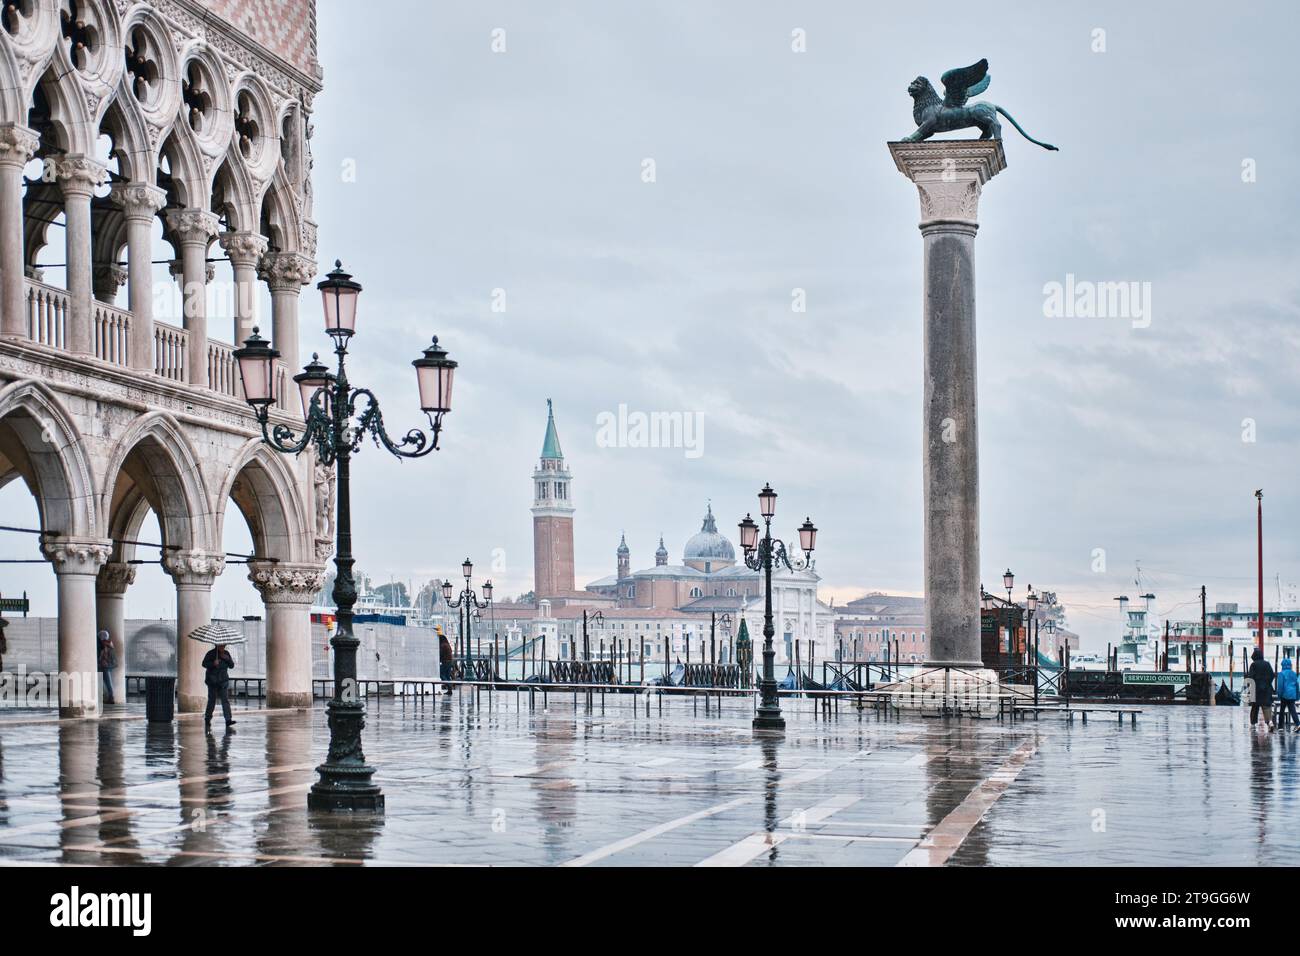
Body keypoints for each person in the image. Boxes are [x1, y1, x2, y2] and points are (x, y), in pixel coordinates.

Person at [202, 643, 237, 732]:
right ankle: (207, 718)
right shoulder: (211, 654)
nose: (223, 647)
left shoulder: (226, 654)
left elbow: (232, 666)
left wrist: (227, 659)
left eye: (224, 646)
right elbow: (204, 664)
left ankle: (228, 720)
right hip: (212, 681)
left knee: (225, 700)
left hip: (223, 681)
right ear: (217, 645)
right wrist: (213, 663)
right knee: (212, 701)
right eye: (221, 646)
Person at [1247, 647, 1276, 731]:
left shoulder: (1253, 664)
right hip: (1266, 689)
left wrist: (1249, 686)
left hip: (1255, 690)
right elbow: (1272, 675)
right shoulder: (1267, 664)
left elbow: (1251, 677)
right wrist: (1267, 683)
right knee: (1266, 707)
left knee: (1254, 708)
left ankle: (1252, 724)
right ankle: (1270, 722)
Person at [1278, 658, 1299, 730]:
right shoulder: (1294, 673)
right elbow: (1297, 685)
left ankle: (1280, 726)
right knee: (1292, 710)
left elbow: (1280, 686)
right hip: (1292, 694)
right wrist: (1297, 696)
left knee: (1282, 710)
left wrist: (1279, 695)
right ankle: (1298, 723)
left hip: (1284, 695)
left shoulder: (1281, 673)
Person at [96, 630, 116, 705]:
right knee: (107, 682)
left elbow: (103, 655)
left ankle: (111, 698)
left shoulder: (105, 644)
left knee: (107, 682)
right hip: (107, 665)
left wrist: (100, 661)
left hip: (104, 665)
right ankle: (109, 697)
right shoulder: (109, 643)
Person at [437, 625, 455, 693]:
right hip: (450, 661)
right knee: (447, 675)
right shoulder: (447, 644)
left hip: (445, 662)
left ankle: (449, 686)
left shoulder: (443, 645)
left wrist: (438, 659)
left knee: (441, 674)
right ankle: (450, 690)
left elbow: (441, 654)